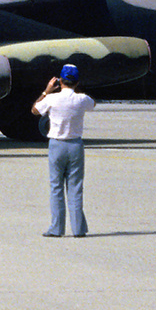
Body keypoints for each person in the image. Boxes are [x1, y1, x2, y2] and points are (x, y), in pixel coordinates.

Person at [33, 64, 97, 237]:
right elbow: (93, 104)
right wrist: (77, 90)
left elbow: (35, 110)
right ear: (77, 82)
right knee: (75, 187)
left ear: (60, 81)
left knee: (56, 187)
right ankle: (78, 229)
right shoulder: (81, 99)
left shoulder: (52, 99)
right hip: (75, 145)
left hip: (57, 145)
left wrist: (46, 91)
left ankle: (57, 228)